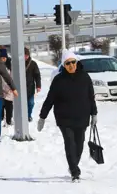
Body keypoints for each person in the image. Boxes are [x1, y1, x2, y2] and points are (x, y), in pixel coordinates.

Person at [37, 50, 97, 182]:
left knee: (79, 145)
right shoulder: (58, 80)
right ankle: (75, 172)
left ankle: (73, 165)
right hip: (64, 118)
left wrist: (94, 114)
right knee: (70, 143)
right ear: (64, 65)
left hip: (82, 117)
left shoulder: (85, 77)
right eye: (68, 63)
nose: (71, 65)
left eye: (73, 62)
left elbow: (91, 97)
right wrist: (42, 117)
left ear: (76, 62)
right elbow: (50, 99)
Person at [25, 47, 42, 122]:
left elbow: (37, 75)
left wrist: (38, 86)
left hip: (30, 87)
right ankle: (24, 116)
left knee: (31, 103)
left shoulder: (33, 64)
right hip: (20, 88)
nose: (25, 57)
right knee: (23, 104)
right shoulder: (18, 64)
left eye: (26, 55)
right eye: (24, 55)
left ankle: (28, 115)